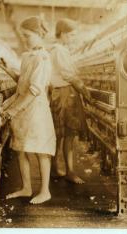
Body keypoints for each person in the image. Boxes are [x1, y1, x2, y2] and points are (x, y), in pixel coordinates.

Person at [0, 16, 56, 204]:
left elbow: (34, 90)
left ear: (40, 35)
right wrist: (8, 69)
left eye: (28, 35)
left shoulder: (42, 58)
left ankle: (45, 191)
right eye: (23, 36)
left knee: (41, 150)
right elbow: (23, 82)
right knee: (20, 148)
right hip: (24, 109)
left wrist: (14, 110)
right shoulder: (27, 57)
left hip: (35, 110)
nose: (25, 39)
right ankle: (26, 187)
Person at [49, 18, 95, 184]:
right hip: (64, 95)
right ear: (62, 34)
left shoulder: (59, 50)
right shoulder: (59, 50)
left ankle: (56, 169)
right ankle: (69, 171)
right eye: (72, 34)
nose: (74, 38)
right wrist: (83, 89)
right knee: (68, 134)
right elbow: (68, 74)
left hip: (61, 94)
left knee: (60, 134)